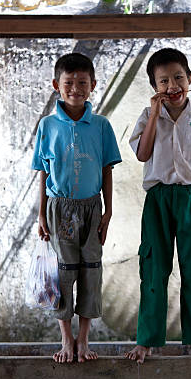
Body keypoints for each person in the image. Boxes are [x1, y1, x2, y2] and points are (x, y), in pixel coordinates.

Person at [125, 48, 191, 364]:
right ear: (154, 87)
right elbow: (143, 154)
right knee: (153, 269)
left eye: (178, 77)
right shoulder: (148, 117)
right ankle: (146, 341)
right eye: (163, 81)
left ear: (190, 79)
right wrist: (155, 114)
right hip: (157, 200)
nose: (172, 85)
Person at [31, 53, 122, 363]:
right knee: (61, 273)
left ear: (93, 85)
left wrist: (107, 212)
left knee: (90, 271)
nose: (75, 89)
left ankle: (84, 340)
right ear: (57, 85)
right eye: (68, 83)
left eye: (82, 83)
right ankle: (66, 339)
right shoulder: (47, 125)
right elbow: (43, 172)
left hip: (91, 207)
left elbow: (108, 169)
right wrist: (41, 213)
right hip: (58, 209)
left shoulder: (100, 125)